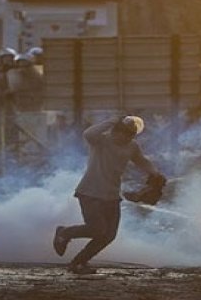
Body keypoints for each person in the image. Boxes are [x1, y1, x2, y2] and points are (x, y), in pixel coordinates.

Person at [53, 116, 165, 274]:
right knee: (97, 229)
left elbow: (141, 161)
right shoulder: (100, 141)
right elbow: (88, 134)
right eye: (125, 133)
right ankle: (65, 233)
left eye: (131, 135)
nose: (128, 137)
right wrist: (111, 121)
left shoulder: (132, 146)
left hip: (111, 195)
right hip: (90, 192)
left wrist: (155, 174)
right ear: (116, 130)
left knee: (109, 235)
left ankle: (78, 263)